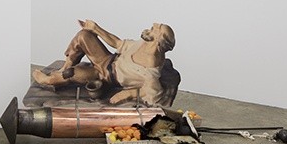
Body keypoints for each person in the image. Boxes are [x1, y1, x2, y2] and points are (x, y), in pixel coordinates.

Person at [32, 20, 180, 106]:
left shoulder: (151, 64)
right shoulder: (143, 43)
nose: (154, 24)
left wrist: (128, 93)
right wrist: (95, 28)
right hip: (108, 60)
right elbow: (118, 43)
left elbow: (154, 93)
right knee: (84, 35)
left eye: (158, 28)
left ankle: (49, 80)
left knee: (70, 74)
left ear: (158, 40)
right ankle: (66, 65)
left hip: (105, 76)